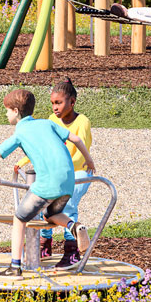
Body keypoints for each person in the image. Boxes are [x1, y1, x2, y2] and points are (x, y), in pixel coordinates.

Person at [0, 88, 97, 276]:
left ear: (15, 111)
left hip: (47, 183)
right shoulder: (47, 124)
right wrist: (89, 161)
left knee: (19, 218)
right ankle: (75, 226)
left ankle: (15, 266)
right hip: (67, 182)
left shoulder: (19, 133)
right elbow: (76, 139)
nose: (6, 114)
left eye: (7, 110)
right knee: (50, 214)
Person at [38, 79, 98, 268]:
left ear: (72, 102)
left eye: (59, 103)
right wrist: (24, 161)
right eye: (53, 103)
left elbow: (81, 154)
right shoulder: (52, 119)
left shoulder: (82, 122)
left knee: (67, 204)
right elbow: (46, 146)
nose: (55, 107)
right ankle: (44, 244)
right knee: (40, 200)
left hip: (78, 173)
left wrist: (59, 167)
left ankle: (71, 251)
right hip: (59, 173)